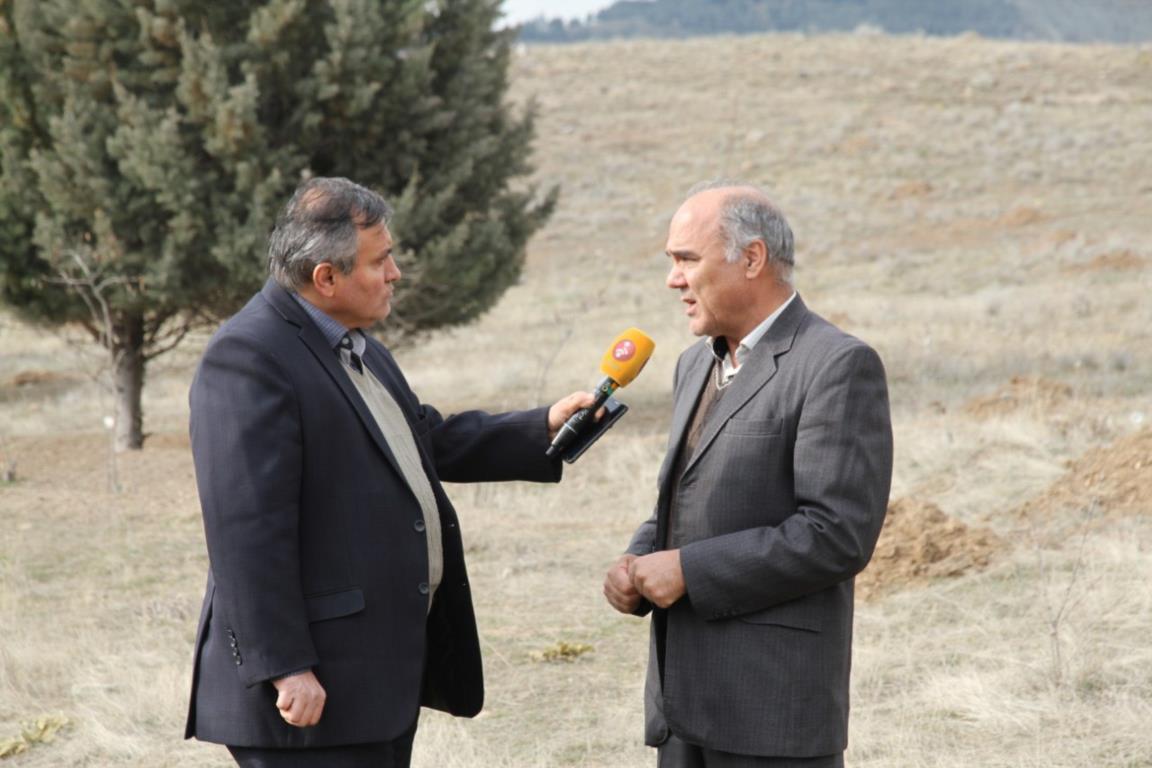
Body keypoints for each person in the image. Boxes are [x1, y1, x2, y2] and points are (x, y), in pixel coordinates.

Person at [185, 176, 593, 767]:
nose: (396, 274)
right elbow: (245, 530)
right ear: (326, 278)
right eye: (381, 261)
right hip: (306, 698)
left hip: (366, 682)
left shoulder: (355, 345)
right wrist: (286, 666)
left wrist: (542, 426)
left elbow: (421, 438)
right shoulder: (249, 357)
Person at [603, 182, 893, 767]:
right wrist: (636, 561)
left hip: (772, 711)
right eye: (671, 261)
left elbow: (836, 535)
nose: (673, 280)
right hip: (681, 710)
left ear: (753, 258)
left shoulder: (835, 364)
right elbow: (682, 500)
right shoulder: (694, 364)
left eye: (687, 259)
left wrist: (688, 570)